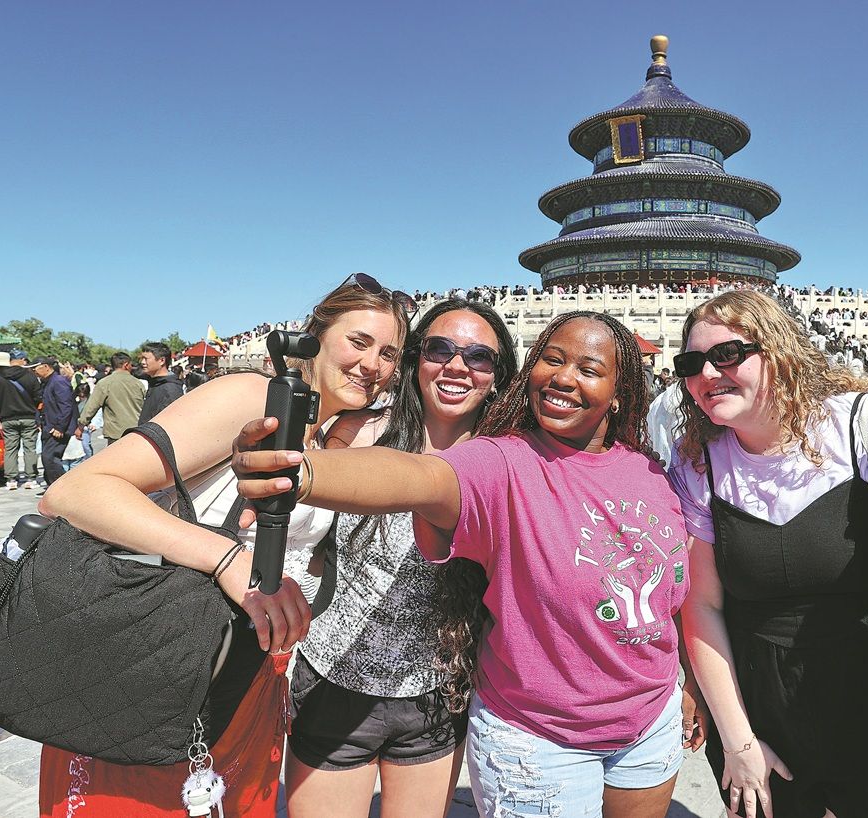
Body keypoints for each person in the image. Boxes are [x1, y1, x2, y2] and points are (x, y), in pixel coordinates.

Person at [235, 311, 703, 818]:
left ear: (620, 391)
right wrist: (302, 472)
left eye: (589, 369)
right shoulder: (500, 460)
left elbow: (672, 593)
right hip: (539, 740)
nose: (565, 377)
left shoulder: (649, 469)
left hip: (645, 726)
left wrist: (687, 683)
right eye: (553, 359)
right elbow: (420, 478)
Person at [37, 274, 413, 818]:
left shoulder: (339, 431)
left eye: (388, 354)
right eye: (358, 342)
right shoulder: (248, 397)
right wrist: (226, 558)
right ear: (316, 335)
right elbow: (74, 491)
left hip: (248, 671)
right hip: (156, 658)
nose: (372, 365)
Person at [668, 291, 868, 818]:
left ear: (778, 351)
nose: (707, 373)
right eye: (691, 363)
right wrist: (739, 741)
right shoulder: (697, 463)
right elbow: (702, 605)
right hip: (759, 704)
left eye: (728, 354)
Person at [286, 299, 516, 818]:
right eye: (441, 349)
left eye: (479, 357)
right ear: (417, 361)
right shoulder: (358, 432)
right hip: (334, 682)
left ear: (498, 377)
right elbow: (300, 535)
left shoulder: (505, 460)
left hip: (434, 695)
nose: (457, 366)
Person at [0, 349, 42, 489]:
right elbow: (37, 397)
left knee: (10, 449)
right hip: (28, 417)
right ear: (22, 360)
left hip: (8, 418)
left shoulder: (0, 378)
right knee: (30, 448)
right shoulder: (30, 377)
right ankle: (31, 478)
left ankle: (11, 479)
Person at [76, 351, 146, 446]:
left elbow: (91, 407)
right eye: (130, 365)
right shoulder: (138, 383)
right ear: (126, 365)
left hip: (115, 433)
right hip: (137, 432)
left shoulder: (105, 383)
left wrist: (81, 426)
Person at [30, 357, 77, 489]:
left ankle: (63, 488)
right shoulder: (45, 382)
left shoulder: (58, 382)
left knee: (50, 458)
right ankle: (53, 487)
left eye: (35, 368)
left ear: (46, 367)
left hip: (57, 428)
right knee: (47, 458)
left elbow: (66, 406)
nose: (34, 371)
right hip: (48, 426)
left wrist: (60, 427)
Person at [137, 341, 186, 423]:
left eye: (146, 359)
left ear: (162, 360)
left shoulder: (170, 389)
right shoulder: (155, 383)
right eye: (142, 359)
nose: (142, 362)